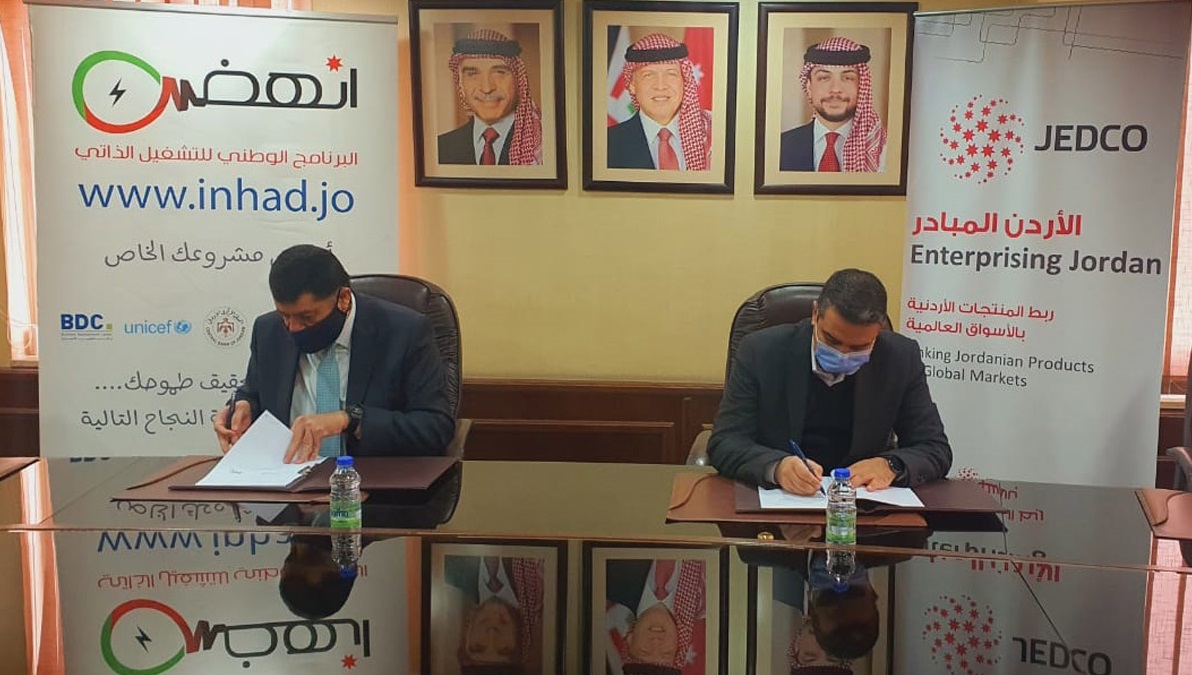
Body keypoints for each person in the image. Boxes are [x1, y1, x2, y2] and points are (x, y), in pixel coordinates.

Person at [707, 268, 951, 495]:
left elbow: (935, 448)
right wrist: (776, 467)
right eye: (832, 340)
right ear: (815, 314)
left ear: (879, 331)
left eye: (859, 347)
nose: (843, 354)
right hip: (781, 504)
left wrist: (890, 465)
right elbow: (725, 442)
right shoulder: (761, 351)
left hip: (862, 506)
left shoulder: (900, 358)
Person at [214, 244, 455, 462]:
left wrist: (350, 420)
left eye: (306, 317)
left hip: (372, 484)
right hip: (286, 479)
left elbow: (435, 427)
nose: (293, 328)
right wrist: (242, 407)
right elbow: (253, 393)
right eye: (284, 315)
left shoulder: (404, 332)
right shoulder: (268, 331)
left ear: (344, 299)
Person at [779, 37, 887, 173]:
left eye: (847, 78)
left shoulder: (883, 149)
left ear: (861, 86)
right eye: (824, 78)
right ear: (809, 87)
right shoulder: (780, 146)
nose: (835, 89)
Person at [607, 33, 711, 171]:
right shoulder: (608, 143)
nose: (660, 86)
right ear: (632, 84)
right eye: (648, 75)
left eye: (671, 74)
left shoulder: (713, 135)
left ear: (685, 80)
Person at [438, 28, 543, 166]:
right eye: (472, 74)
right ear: (461, 85)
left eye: (499, 72)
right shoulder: (441, 148)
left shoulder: (543, 145)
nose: (487, 88)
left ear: (518, 80)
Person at [443, 555, 545, 674]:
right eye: (505, 649)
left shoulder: (449, 569)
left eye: (477, 647)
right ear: (522, 650)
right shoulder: (539, 576)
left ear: (464, 640)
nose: (492, 633)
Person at [605, 558, 706, 675]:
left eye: (644, 652)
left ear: (630, 640)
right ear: (679, 646)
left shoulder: (611, 578)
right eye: (666, 654)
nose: (656, 641)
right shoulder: (707, 596)